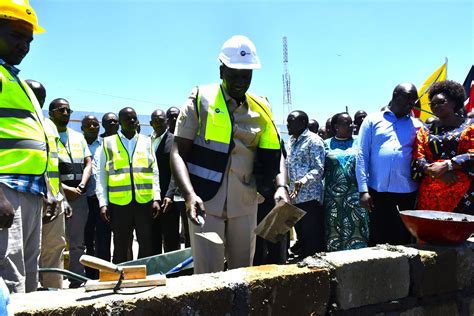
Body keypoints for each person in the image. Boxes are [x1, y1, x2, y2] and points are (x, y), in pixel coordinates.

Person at [171, 35, 287, 274]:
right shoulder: (200, 98)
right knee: (207, 276)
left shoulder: (262, 107)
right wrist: (189, 195)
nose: (240, 82)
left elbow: (277, 152)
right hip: (205, 202)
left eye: (246, 76)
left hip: (245, 202)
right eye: (233, 74)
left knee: (242, 273)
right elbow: (177, 152)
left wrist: (281, 186)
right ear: (221, 70)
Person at [0, 0, 48, 293]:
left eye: (28, 39)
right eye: (16, 36)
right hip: (6, 189)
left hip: (29, 191)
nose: (24, 46)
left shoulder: (15, 78)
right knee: (9, 278)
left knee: (29, 277)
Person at [356, 83, 423, 246]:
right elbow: (362, 155)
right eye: (407, 98)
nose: (411, 103)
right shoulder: (372, 120)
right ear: (395, 94)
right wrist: (363, 190)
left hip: (407, 192)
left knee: (404, 240)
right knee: (378, 240)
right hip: (377, 192)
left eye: (414, 100)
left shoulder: (418, 125)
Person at [97, 107, 161, 263]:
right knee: (121, 245)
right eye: (127, 118)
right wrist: (102, 203)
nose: (132, 121)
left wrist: (156, 198)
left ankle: (145, 275)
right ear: (120, 122)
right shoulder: (108, 143)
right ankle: (121, 278)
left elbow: (154, 172)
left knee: (146, 243)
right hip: (119, 204)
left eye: (134, 118)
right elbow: (101, 175)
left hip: (144, 202)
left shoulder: (147, 142)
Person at [26, 80, 71, 289]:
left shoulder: (49, 127)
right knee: (27, 251)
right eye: (35, 95)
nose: (38, 100)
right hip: (28, 196)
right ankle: (28, 296)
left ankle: (54, 294)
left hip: (54, 199)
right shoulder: (16, 123)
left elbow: (53, 167)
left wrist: (62, 195)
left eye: (41, 97)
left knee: (55, 248)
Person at [411, 80, 473, 214]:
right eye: (432, 104)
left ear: (454, 102)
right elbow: (417, 156)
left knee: (461, 232)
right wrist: (432, 170)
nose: (436, 106)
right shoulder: (425, 130)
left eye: (441, 102)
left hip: (464, 196)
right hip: (430, 196)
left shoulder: (470, 126)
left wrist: (449, 165)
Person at [49, 98, 92, 287]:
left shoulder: (77, 136)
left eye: (68, 110)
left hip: (79, 195)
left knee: (77, 242)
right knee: (54, 243)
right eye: (61, 110)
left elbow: (88, 163)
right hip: (56, 194)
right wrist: (65, 190)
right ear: (51, 113)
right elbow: (47, 167)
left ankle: (76, 279)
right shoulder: (46, 135)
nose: (66, 114)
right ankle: (53, 282)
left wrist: (81, 186)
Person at [324, 112, 369, 251]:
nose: (352, 126)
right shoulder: (325, 144)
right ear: (336, 127)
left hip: (356, 196)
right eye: (347, 123)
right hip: (333, 199)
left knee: (358, 229)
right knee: (334, 231)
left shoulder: (359, 142)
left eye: (352, 123)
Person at [286, 110, 326, 257]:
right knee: (301, 237)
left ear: (303, 123)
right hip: (295, 198)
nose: (287, 124)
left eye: (291, 121)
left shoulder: (313, 140)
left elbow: (319, 169)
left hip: (310, 199)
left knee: (312, 239)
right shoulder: (291, 141)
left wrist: (302, 181)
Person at [82, 115, 111, 279]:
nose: (92, 127)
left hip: (100, 200)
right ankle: (88, 274)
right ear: (82, 128)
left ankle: (104, 272)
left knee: (103, 238)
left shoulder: (103, 147)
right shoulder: (79, 145)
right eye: (88, 125)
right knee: (86, 239)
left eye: (95, 124)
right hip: (83, 200)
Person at [150, 109, 179, 254]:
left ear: (166, 122)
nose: (158, 123)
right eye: (155, 120)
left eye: (161, 120)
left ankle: (174, 275)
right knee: (152, 238)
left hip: (168, 199)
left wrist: (169, 194)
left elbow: (176, 171)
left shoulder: (174, 140)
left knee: (170, 239)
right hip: (150, 198)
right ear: (150, 123)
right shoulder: (146, 141)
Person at [167, 106, 190, 248]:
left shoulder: (186, 137)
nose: (174, 119)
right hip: (169, 196)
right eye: (171, 116)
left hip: (184, 194)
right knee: (170, 233)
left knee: (189, 232)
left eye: (177, 115)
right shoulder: (160, 139)